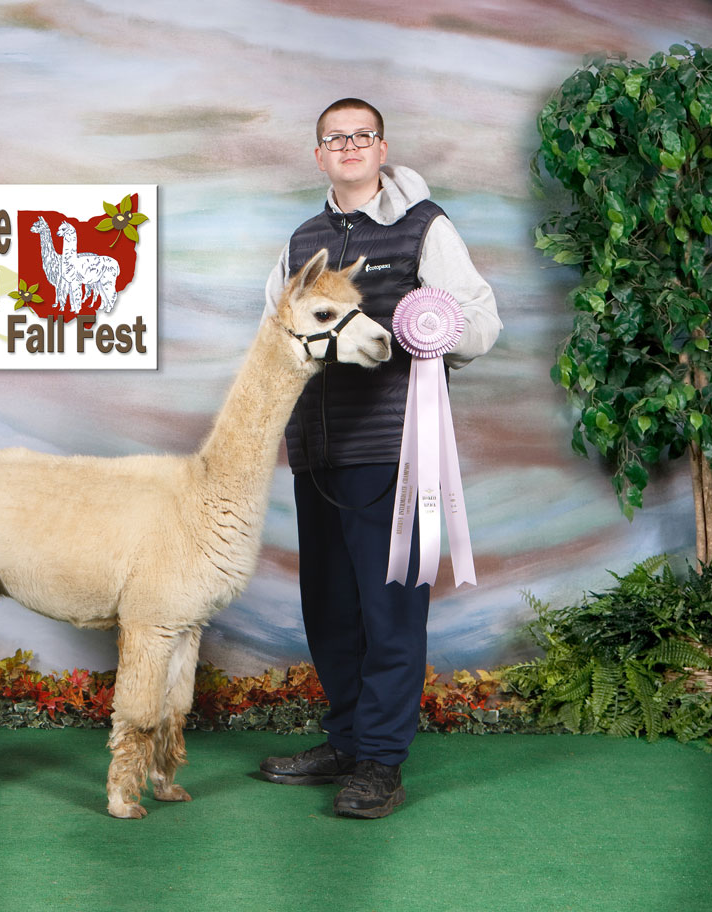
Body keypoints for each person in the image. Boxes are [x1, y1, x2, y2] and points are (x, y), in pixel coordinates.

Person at [258, 98, 501, 818]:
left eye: (362, 135)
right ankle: (346, 739)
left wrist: (430, 330)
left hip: (396, 449)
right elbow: (274, 335)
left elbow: (481, 322)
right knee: (330, 609)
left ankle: (382, 762)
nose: (350, 146)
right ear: (320, 155)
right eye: (336, 138)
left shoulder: (426, 227)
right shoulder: (302, 239)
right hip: (317, 451)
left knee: (389, 610)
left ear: (382, 147)